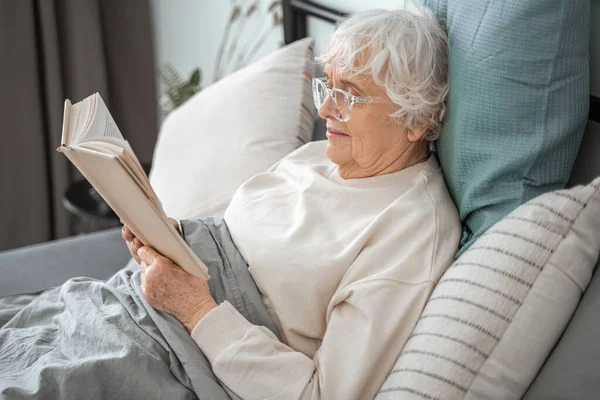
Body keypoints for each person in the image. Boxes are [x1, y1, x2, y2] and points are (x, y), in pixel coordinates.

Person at [122, 7, 460, 400]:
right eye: (327, 86)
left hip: (184, 352)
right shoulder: (321, 155)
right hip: (143, 304)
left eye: (349, 95)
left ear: (415, 118)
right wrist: (173, 243)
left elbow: (322, 394)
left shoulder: (409, 232)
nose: (324, 110)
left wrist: (195, 309)